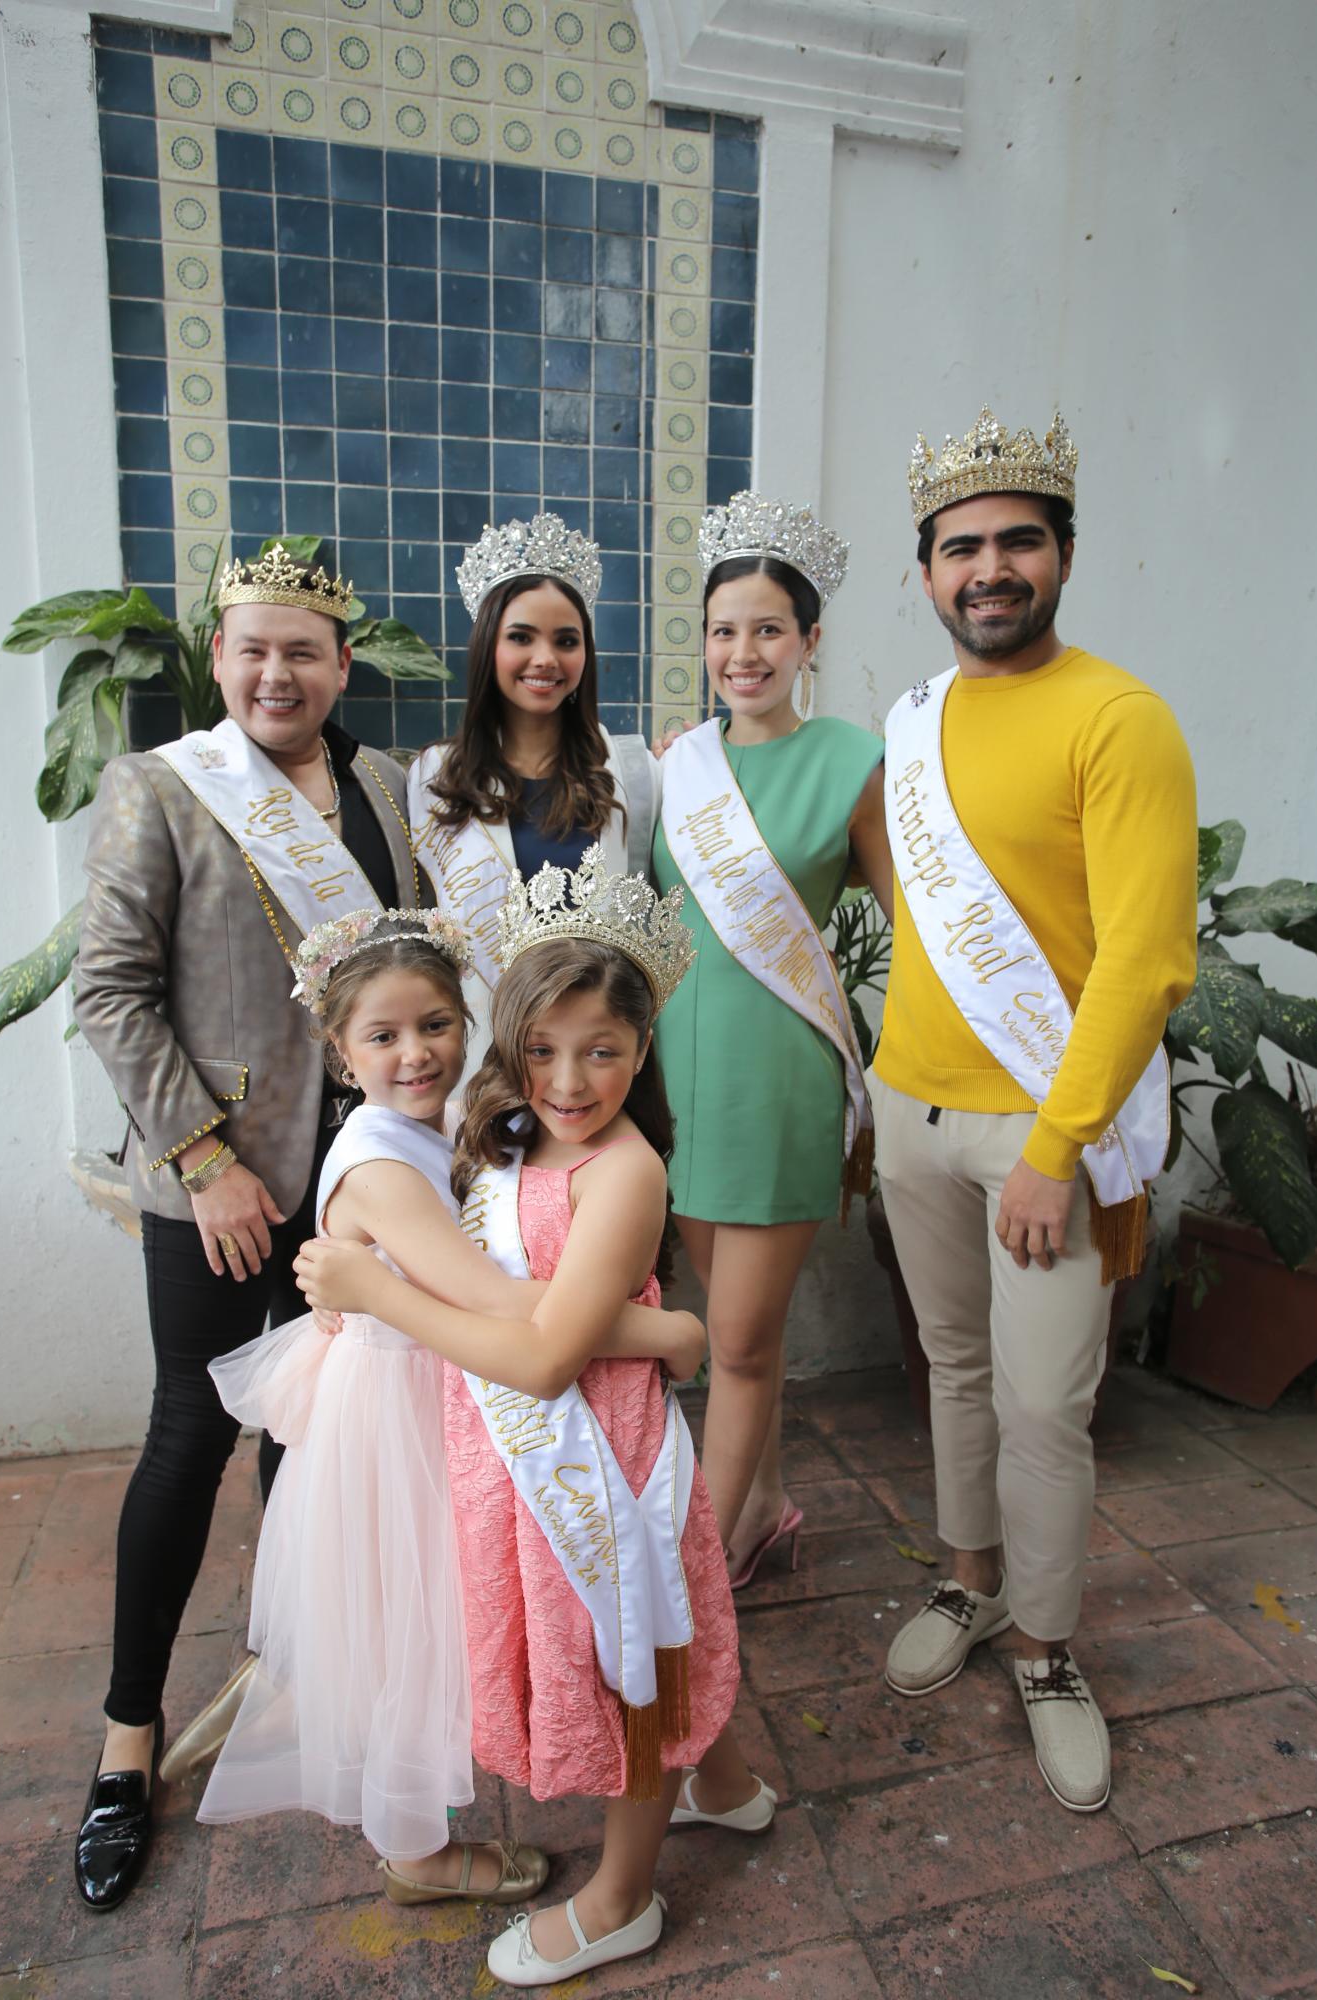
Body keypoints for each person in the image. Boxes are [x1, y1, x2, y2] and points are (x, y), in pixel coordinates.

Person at [297, 849, 768, 1988]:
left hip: (599, 1448)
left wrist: (376, 1291)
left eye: (602, 1049)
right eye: (543, 1049)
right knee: (651, 1635)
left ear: (641, 1050)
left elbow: (549, 1350)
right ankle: (725, 1783)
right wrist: (665, 1332)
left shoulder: (625, 1168)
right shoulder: (506, 1137)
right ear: (509, 1050)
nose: (569, 1076)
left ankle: (621, 1896)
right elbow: (527, 1300)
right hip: (517, 1445)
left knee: (630, 1656)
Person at [198, 904, 708, 1902]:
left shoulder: (444, 1127)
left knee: (435, 1619)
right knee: (408, 1632)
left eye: (434, 1023)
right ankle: (416, 1852)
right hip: (395, 1415)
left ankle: (703, 1762)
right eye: (382, 1035)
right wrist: (667, 1332)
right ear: (340, 1051)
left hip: (440, 1389)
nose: (416, 1051)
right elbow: (516, 1308)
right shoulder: (384, 1164)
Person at [69, 546, 422, 1912]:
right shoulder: (159, 788)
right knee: (190, 1438)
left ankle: (302, 1673)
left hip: (360, 1178)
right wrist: (202, 1158)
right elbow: (110, 990)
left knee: (325, 1423)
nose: (277, 674)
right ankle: (125, 1739)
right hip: (220, 1186)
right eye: (251, 651)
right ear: (217, 661)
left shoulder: (384, 786)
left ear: (341, 665)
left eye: (304, 652)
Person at [875, 407, 1198, 1813]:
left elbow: (1145, 958)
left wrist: (1056, 1150)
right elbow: (909, 902)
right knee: (948, 1371)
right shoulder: (916, 715)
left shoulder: (1120, 718)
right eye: (961, 547)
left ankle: (1051, 1648)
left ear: (1063, 554)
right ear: (927, 570)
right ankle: (968, 1580)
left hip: (1037, 1142)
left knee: (1044, 1408)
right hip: (908, 1116)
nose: (987, 567)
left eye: (1017, 541)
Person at [651, 492, 888, 1584]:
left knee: (735, 1346)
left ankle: (686, 1576)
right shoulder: (676, 768)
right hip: (673, 1085)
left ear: (809, 641)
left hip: (780, 1079)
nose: (742, 652)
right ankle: (765, 1510)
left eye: (767, 629)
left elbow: (916, 923)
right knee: (742, 1332)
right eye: (723, 630)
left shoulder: (852, 758)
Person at [408, 512, 659, 1073]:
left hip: (589, 1061)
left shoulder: (632, 770)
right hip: (479, 1054)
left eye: (565, 641)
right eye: (521, 637)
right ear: (487, 647)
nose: (545, 659)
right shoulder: (432, 777)